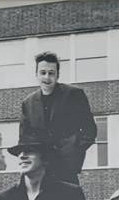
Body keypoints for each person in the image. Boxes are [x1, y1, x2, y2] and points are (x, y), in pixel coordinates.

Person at [19, 51, 97, 185]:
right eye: (43, 73)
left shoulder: (74, 95)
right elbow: (24, 139)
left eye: (51, 73)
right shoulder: (28, 103)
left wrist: (74, 150)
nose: (47, 77)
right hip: (39, 170)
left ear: (58, 75)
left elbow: (90, 130)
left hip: (66, 167)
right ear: (36, 75)